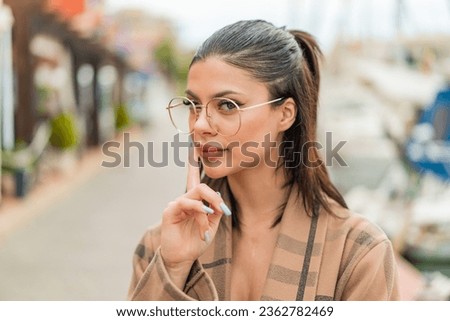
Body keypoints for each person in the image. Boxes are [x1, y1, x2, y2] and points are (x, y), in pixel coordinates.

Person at [128, 19, 400, 301]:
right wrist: (173, 268)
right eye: (194, 105)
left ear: (285, 114)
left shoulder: (358, 254)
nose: (199, 126)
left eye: (227, 105)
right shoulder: (160, 246)